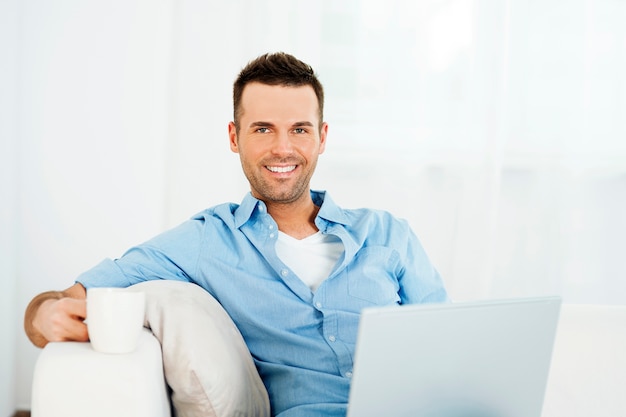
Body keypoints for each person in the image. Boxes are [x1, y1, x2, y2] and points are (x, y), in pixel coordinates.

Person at [24, 52, 449, 416]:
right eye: (263, 129)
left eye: (299, 129)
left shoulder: (389, 234)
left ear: (321, 138)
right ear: (234, 137)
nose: (282, 148)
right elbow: (61, 302)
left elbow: (449, 347)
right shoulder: (206, 241)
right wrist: (45, 315)